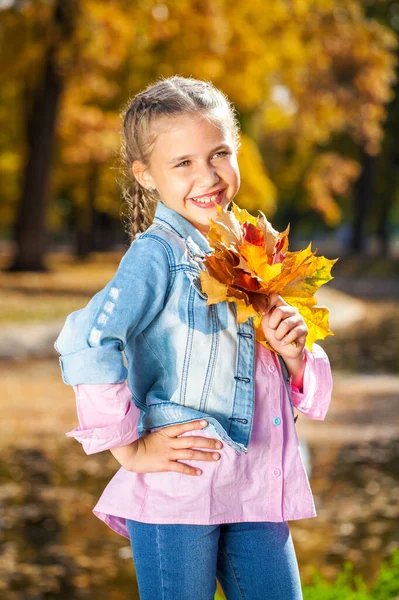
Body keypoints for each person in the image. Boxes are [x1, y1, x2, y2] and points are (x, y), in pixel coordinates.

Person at [55, 75, 333, 600]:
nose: (207, 176)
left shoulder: (254, 247)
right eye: (182, 163)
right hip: (180, 490)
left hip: (254, 484)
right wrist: (128, 449)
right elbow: (86, 341)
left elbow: (265, 366)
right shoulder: (155, 256)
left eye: (219, 154)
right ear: (146, 175)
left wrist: (295, 356)